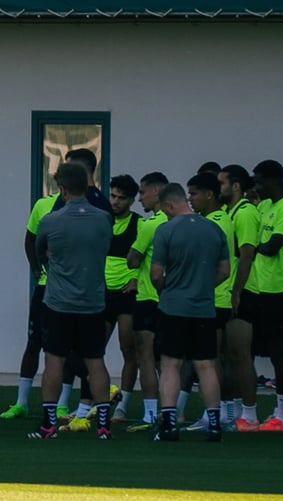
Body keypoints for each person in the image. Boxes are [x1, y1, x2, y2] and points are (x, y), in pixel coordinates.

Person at [30, 163, 113, 440]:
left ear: (62, 189)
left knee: (54, 360)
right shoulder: (103, 219)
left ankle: (48, 424)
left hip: (59, 303)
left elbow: (39, 250)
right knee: (95, 361)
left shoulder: (51, 221)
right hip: (93, 302)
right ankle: (103, 425)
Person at [149, 183, 230, 442]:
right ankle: (215, 423)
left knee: (170, 364)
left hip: (173, 307)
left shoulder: (166, 230)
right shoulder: (214, 229)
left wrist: (168, 290)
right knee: (206, 365)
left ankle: (170, 423)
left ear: (169, 205)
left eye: (165, 211)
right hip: (204, 308)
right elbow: (225, 271)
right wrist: (204, 287)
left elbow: (156, 274)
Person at [249, 160, 283, 432]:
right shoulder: (265, 206)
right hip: (258, 289)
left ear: (274, 180)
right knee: (247, 349)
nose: (257, 187)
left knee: (278, 353)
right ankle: (246, 412)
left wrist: (248, 248)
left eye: (260, 182)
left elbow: (271, 247)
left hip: (280, 292)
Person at [182, 173, 237, 431]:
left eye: (194, 194)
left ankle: (216, 414)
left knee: (209, 359)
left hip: (214, 298)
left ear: (209, 195)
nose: (190, 199)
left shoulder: (218, 223)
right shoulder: (211, 220)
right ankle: (222, 413)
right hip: (212, 298)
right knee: (209, 358)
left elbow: (219, 265)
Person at [1, 189, 58, 420]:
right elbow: (30, 239)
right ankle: (21, 402)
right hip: (46, 286)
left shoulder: (94, 206)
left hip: (74, 289)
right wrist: (36, 268)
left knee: (65, 348)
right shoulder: (44, 205)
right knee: (34, 341)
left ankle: (62, 405)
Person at [219, 164, 263, 431]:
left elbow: (247, 254)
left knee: (240, 354)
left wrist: (237, 291)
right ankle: (231, 412)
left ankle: (250, 413)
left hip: (244, 290)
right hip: (229, 290)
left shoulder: (246, 213)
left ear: (236, 186)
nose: (218, 188)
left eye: (222, 183)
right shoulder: (228, 212)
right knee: (226, 354)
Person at [124, 171, 169, 428]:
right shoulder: (179, 222)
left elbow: (133, 259)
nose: (139, 199)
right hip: (171, 299)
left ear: (156, 192)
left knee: (146, 358)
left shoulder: (150, 225)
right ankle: (172, 409)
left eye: (142, 192)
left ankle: (150, 412)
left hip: (149, 297)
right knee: (169, 361)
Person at [104, 174, 141, 422]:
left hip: (126, 295)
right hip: (101, 293)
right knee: (92, 351)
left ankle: (122, 405)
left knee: (128, 349)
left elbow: (146, 257)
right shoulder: (101, 220)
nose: (115, 201)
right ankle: (96, 400)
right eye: (113, 195)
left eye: (121, 198)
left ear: (132, 200)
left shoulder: (140, 224)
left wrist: (135, 278)